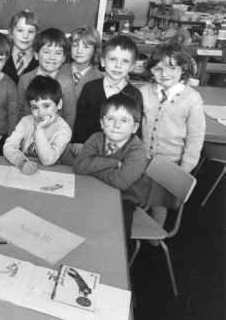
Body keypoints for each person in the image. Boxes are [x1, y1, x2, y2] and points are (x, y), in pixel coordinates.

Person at [140, 41, 205, 231]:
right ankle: (136, 231)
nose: (165, 73)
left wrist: (185, 169)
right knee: (139, 196)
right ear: (151, 70)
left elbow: (195, 138)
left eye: (172, 67)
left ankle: (153, 236)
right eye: (158, 68)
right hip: (142, 159)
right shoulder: (144, 92)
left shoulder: (192, 99)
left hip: (172, 164)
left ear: (183, 68)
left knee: (159, 203)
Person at [75, 94, 147, 244]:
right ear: (102, 123)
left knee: (117, 237)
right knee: (77, 219)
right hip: (94, 190)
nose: (116, 125)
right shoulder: (96, 138)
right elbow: (80, 166)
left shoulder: (137, 149)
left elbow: (121, 181)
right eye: (111, 119)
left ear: (134, 127)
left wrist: (93, 166)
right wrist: (112, 163)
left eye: (125, 120)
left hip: (124, 199)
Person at [70, 35, 143, 156]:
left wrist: (130, 152)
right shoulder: (90, 88)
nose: (118, 65)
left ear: (132, 66)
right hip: (89, 148)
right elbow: (81, 117)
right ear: (103, 61)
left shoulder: (134, 94)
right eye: (113, 59)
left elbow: (136, 128)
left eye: (125, 61)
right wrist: (79, 140)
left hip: (119, 153)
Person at [3, 76, 71, 174]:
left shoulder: (64, 130)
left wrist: (39, 130)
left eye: (46, 106)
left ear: (59, 104)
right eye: (35, 107)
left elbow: (48, 160)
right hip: (24, 169)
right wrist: (21, 162)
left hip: (50, 173)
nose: (40, 113)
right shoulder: (26, 121)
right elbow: (9, 145)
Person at [17, 28, 76, 127]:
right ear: (36, 55)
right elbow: (18, 110)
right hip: (27, 136)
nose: (52, 57)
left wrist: (63, 139)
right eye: (46, 52)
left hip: (55, 138)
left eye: (58, 53)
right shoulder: (25, 80)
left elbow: (69, 116)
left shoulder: (67, 83)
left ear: (64, 58)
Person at [59, 26, 103, 98]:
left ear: (94, 50)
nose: (79, 51)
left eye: (86, 47)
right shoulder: (59, 71)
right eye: (75, 45)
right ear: (70, 47)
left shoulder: (100, 78)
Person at [2, 10, 40, 84]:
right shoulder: (0, 57)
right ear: (11, 33)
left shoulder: (41, 60)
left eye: (31, 31)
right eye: (20, 30)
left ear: (36, 35)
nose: (25, 36)